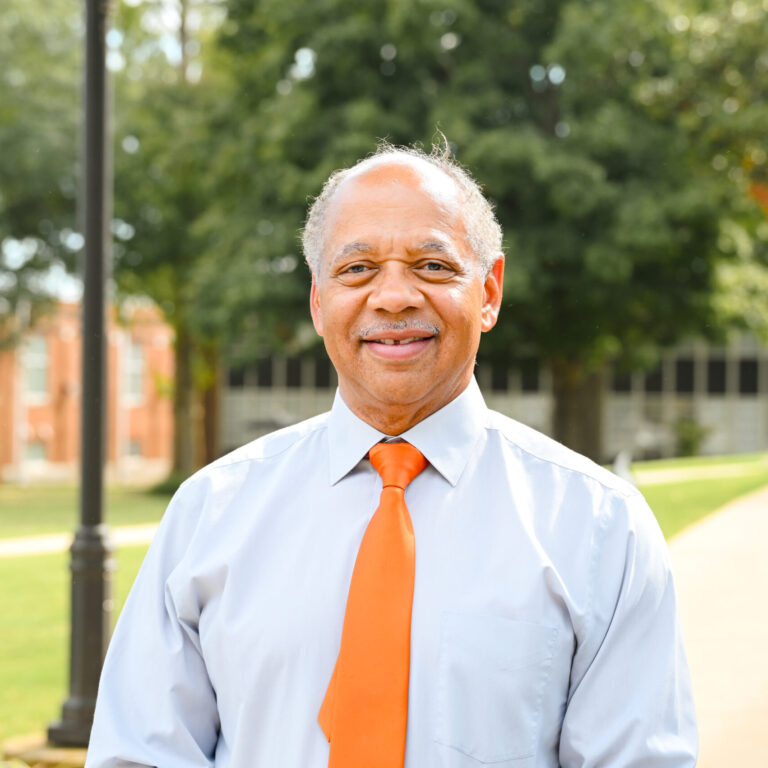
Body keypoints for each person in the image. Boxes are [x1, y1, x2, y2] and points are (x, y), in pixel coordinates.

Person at [86, 143, 697, 768]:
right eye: (358, 270)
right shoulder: (208, 515)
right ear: (320, 301)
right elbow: (141, 755)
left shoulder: (601, 529)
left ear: (488, 291)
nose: (394, 296)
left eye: (432, 265)